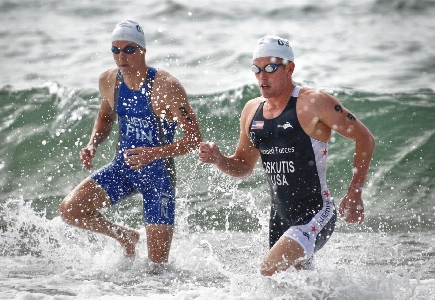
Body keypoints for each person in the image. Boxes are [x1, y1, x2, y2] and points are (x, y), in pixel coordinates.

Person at [199, 35, 375, 276]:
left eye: (270, 68)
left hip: (316, 214)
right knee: (294, 287)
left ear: (289, 68)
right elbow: (243, 166)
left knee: (267, 269)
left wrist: (355, 192)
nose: (262, 76)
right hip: (280, 219)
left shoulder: (314, 103)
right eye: (256, 69)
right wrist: (219, 159)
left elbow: (365, 138)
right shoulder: (252, 110)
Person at [60, 20, 202, 264]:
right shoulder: (109, 81)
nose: (121, 56)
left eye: (129, 49)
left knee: (158, 268)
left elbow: (194, 139)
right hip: (122, 169)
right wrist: (93, 144)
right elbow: (105, 117)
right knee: (70, 210)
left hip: (158, 177)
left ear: (143, 50)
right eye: (115, 50)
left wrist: (154, 153)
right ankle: (125, 236)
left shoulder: (166, 87)